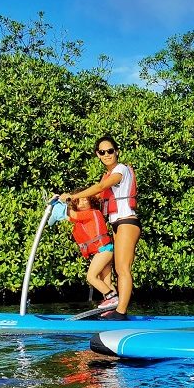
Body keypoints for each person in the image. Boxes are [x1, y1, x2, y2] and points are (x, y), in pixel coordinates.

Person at [60, 136, 140, 320]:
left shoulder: (120, 170)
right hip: (116, 223)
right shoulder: (107, 174)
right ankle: (112, 305)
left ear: (116, 151)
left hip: (127, 221)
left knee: (122, 268)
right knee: (112, 271)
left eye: (110, 151)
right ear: (98, 154)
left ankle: (120, 312)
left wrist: (72, 197)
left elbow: (101, 186)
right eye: (102, 152)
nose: (106, 155)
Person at [67, 193, 117, 307]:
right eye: (79, 201)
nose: (83, 203)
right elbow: (69, 216)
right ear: (76, 205)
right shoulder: (82, 217)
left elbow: (72, 214)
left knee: (91, 277)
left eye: (85, 200)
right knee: (106, 282)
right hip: (105, 250)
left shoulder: (93, 213)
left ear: (91, 202)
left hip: (104, 250)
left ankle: (112, 298)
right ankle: (114, 308)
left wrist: (64, 202)